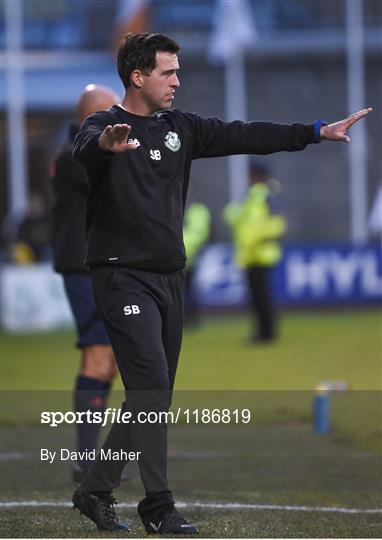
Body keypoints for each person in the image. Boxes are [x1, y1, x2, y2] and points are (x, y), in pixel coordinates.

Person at [70, 32, 372, 534]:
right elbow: (87, 149)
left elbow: (245, 134)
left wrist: (315, 131)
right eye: (168, 72)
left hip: (170, 279)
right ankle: (159, 507)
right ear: (138, 76)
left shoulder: (181, 127)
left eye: (177, 71)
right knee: (150, 388)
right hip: (121, 277)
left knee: (153, 395)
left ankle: (95, 489)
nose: (177, 81)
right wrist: (105, 144)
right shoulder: (104, 125)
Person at [51, 85, 122, 481]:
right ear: (89, 117)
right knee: (98, 353)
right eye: (112, 111)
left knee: (107, 359)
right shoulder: (75, 154)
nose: (119, 118)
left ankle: (91, 455)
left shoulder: (75, 152)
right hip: (84, 266)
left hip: (96, 263)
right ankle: (87, 459)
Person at [224, 160, 286, 343]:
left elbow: (275, 224)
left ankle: (266, 333)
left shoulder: (262, 196)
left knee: (262, 296)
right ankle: (263, 331)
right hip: (252, 253)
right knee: (259, 296)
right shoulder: (255, 196)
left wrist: (258, 238)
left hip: (260, 253)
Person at [183, 201, 210, 327]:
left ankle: (190, 319)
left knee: (187, 291)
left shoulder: (196, 210)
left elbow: (199, 234)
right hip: (184, 256)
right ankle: (188, 319)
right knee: (186, 291)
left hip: (186, 257)